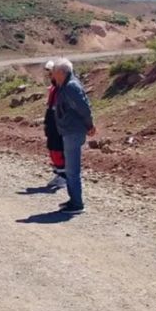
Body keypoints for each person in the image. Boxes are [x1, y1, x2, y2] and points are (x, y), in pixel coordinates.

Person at [51, 58, 96, 215]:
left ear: (62, 72)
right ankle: (73, 200)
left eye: (54, 71)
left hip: (73, 131)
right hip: (70, 130)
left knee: (72, 170)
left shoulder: (70, 87)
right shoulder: (66, 85)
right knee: (70, 169)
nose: (52, 74)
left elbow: (83, 108)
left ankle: (77, 204)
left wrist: (90, 125)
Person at [43, 60, 67, 189]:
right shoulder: (54, 88)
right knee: (52, 148)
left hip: (59, 122)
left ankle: (63, 176)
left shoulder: (64, 87)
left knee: (58, 149)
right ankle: (59, 173)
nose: (50, 77)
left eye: (51, 74)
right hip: (52, 121)